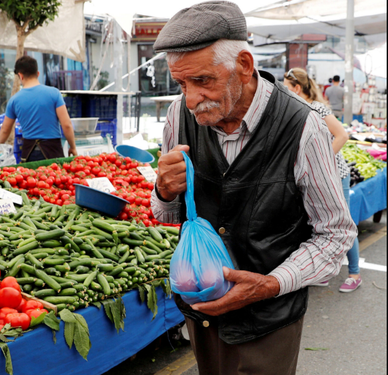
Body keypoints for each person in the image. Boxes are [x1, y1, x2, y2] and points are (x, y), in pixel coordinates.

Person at [151, 2, 356, 374]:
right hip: (202, 313)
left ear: (244, 66)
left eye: (202, 81)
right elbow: (166, 213)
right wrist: (164, 190)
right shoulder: (179, 115)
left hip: (269, 323)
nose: (191, 98)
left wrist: (271, 284)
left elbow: (336, 234)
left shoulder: (303, 127)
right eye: (182, 83)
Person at [284, 68, 361, 292]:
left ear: (297, 88)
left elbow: (342, 135)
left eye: (287, 89)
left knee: (341, 223)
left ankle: (354, 273)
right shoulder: (295, 110)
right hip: (315, 178)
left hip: (337, 175)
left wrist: (321, 163)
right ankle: (325, 271)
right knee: (318, 222)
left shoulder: (316, 108)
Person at [0, 56, 78, 162]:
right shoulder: (54, 93)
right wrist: (72, 147)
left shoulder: (14, 100)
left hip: (29, 153)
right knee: (55, 178)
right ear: (38, 73)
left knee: (33, 178)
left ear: (20, 76)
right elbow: (66, 125)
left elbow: (5, 130)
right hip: (53, 151)